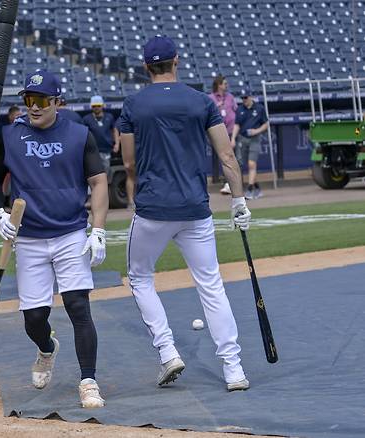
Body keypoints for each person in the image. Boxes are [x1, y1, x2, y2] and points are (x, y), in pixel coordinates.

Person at [117, 36, 252, 392]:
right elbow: (227, 156)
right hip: (195, 208)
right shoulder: (201, 101)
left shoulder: (133, 104)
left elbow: (128, 162)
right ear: (177, 61)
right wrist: (238, 201)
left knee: (140, 277)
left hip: (153, 209)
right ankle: (234, 369)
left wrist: (139, 184)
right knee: (211, 286)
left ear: (146, 66)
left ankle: (167, 351)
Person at [0, 70, 109, 408]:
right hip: (30, 239)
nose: (33, 107)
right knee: (34, 318)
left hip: (70, 233)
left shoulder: (80, 134)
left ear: (57, 102)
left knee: (78, 307)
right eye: (28, 100)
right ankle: (47, 349)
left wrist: (97, 230)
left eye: (41, 101)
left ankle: (88, 380)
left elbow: (98, 182)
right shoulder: (9, 134)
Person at [231, 90, 269, 199]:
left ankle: (250, 189)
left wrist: (256, 131)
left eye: (246, 97)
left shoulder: (259, 108)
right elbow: (237, 125)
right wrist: (233, 139)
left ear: (251, 97)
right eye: (242, 98)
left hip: (254, 139)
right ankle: (257, 187)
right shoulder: (240, 109)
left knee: (252, 164)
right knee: (240, 164)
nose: (244, 100)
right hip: (242, 139)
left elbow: (266, 124)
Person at [209, 75, 238, 195]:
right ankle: (226, 182)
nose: (226, 85)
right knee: (223, 157)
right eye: (224, 84)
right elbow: (207, 112)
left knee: (232, 157)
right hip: (218, 132)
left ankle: (229, 183)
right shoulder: (210, 98)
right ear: (219, 85)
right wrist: (217, 107)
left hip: (231, 131)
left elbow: (235, 110)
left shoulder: (230, 97)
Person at [82, 95, 120, 172]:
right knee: (94, 171)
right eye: (94, 106)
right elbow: (83, 134)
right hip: (92, 150)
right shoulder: (86, 119)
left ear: (102, 105)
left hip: (107, 149)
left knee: (106, 169)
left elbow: (115, 130)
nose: (96, 107)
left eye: (98, 105)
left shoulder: (109, 116)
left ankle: (107, 184)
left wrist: (117, 143)